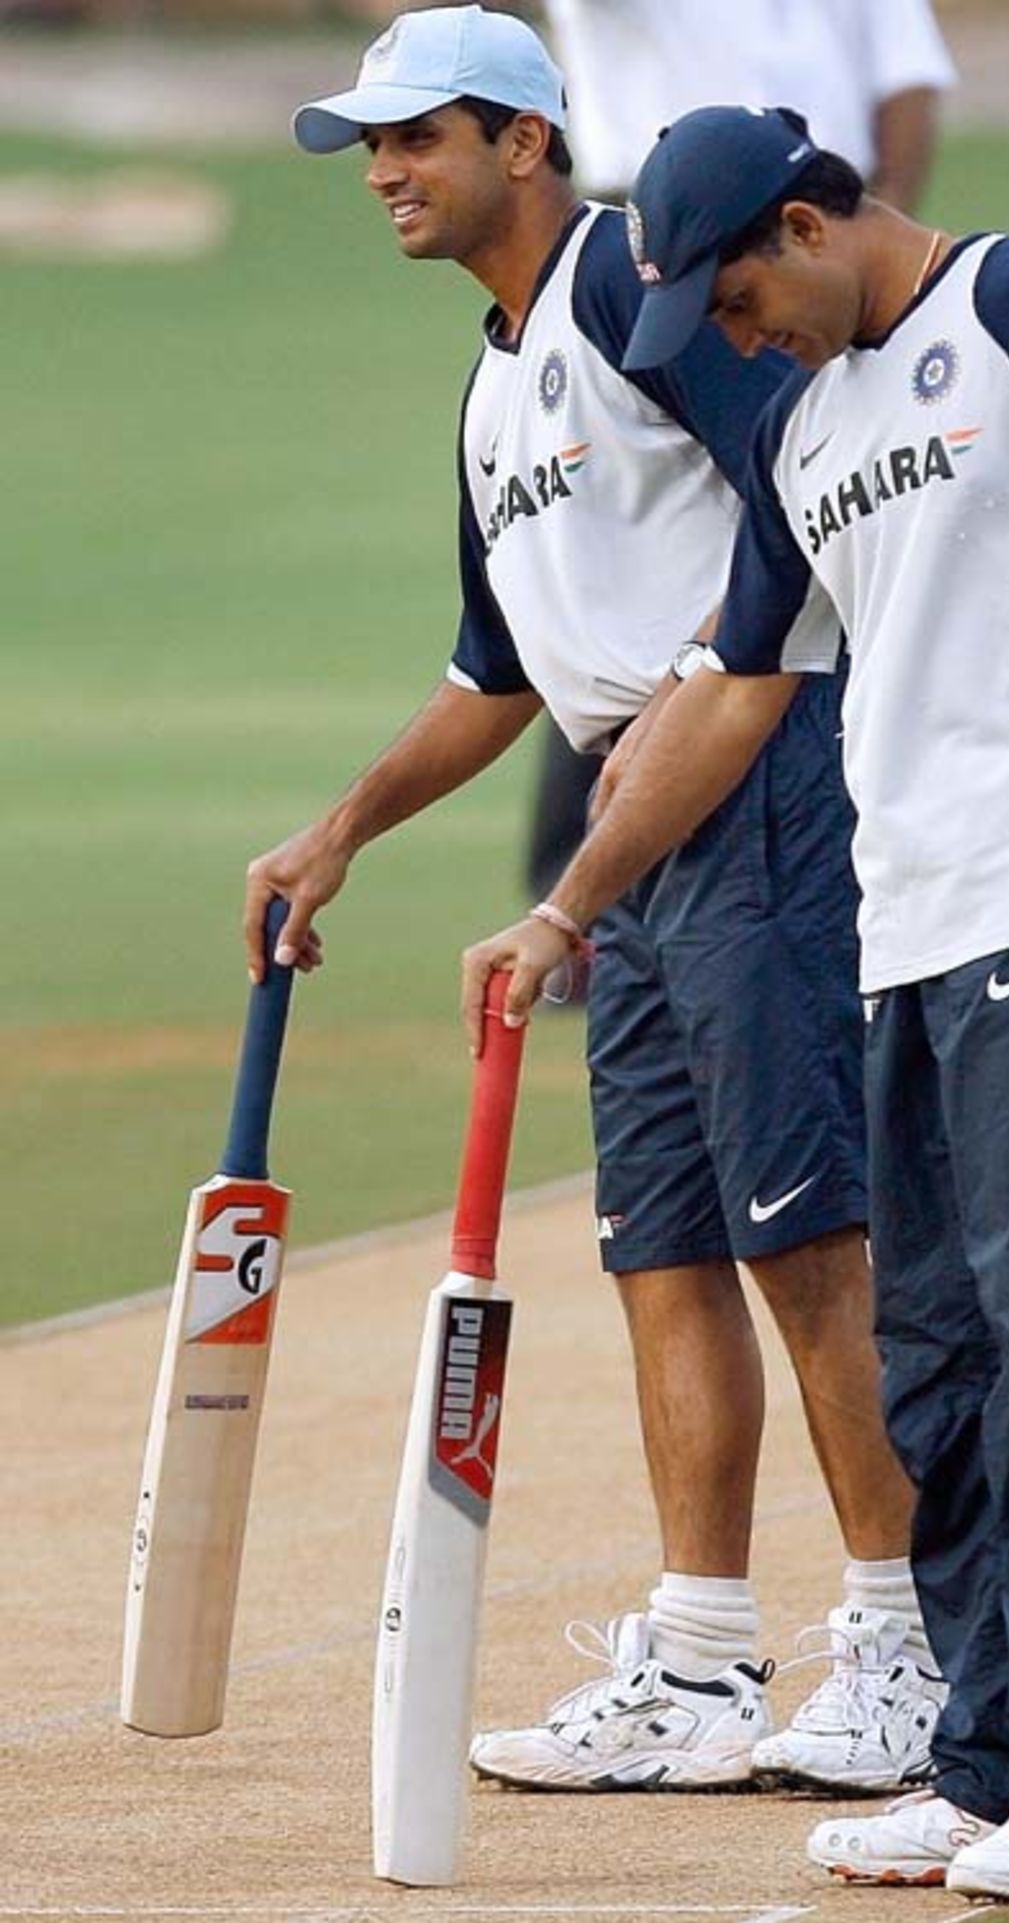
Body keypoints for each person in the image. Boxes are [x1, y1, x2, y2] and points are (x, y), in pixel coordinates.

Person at [460, 106, 1009, 1897]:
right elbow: (740, 687)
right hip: (900, 938)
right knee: (941, 1361)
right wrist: (565, 910)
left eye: (745, 295)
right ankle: (987, 1761)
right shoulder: (809, 425)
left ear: (816, 219)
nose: (739, 341)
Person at [246, 10, 941, 1796]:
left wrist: (750, 686)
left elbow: (810, 483)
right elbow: (494, 670)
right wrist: (341, 833)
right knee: (665, 1248)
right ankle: (704, 1654)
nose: (387, 175)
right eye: (373, 149)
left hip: (753, 780)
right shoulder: (496, 379)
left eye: (419, 139)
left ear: (526, 142)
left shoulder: (652, 294)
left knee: (806, 1235)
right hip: (628, 814)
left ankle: (906, 1643)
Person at [524, 0, 955, 920]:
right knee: (636, 552)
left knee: (814, 511)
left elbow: (909, 83)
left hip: (816, 234)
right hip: (642, 241)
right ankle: (595, 885)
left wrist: (880, 263)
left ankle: (793, 853)